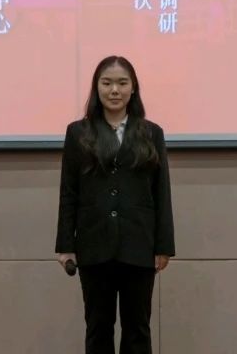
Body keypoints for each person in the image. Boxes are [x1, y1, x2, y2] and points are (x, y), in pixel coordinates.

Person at [55, 56, 175, 354]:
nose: (114, 90)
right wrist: (65, 244)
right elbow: (69, 192)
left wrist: (163, 246)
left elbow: (161, 192)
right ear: (96, 88)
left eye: (122, 83)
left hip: (139, 245)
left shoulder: (151, 133)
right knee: (98, 328)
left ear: (133, 88)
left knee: (138, 330)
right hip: (94, 245)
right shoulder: (78, 133)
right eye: (107, 83)